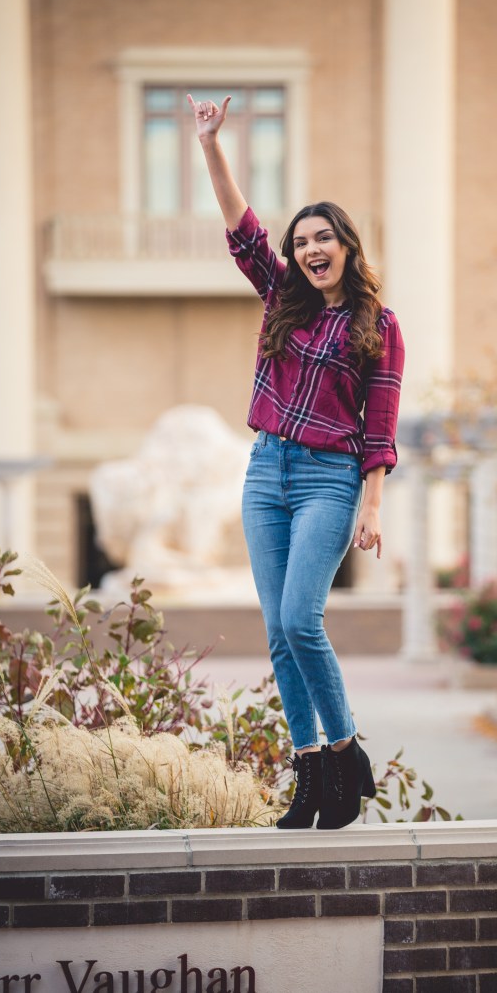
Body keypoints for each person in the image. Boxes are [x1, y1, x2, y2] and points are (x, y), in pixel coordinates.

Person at [188, 93, 405, 830]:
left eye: (324, 238)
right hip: (265, 473)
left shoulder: (380, 325)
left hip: (329, 480)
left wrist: (372, 504)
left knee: (300, 619)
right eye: (301, 240)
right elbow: (241, 227)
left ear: (347, 247)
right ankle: (309, 775)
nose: (311, 249)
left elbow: (380, 426)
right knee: (278, 634)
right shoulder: (283, 296)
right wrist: (211, 144)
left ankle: (345, 752)